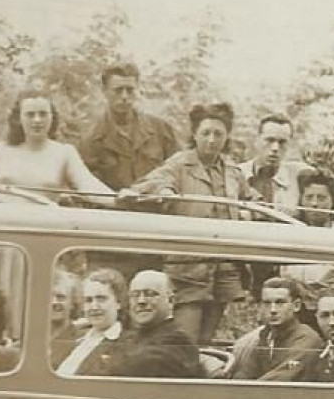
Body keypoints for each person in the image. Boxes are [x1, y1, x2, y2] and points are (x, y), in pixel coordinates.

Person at [120, 102, 249, 344]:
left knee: (205, 340)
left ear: (227, 136)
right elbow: (150, 183)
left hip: (223, 272)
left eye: (218, 134)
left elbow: (252, 199)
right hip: (188, 270)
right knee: (184, 340)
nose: (211, 140)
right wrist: (165, 190)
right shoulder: (180, 164)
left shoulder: (232, 171)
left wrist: (248, 212)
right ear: (194, 134)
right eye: (205, 133)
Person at [0, 89, 109, 198]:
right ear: (18, 119)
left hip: (43, 227)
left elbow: (88, 184)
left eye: (43, 114)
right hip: (4, 225)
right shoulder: (1, 150)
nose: (37, 120)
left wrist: (118, 198)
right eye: (30, 114)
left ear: (52, 117)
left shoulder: (64, 153)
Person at [77, 62, 181, 191]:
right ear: (104, 91)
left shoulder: (161, 130)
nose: (125, 96)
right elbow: (86, 184)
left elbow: (179, 170)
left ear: (137, 89)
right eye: (118, 90)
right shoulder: (90, 139)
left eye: (130, 90)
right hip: (112, 208)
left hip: (156, 207)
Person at [225, 277, 325, 382]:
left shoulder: (307, 338)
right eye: (267, 303)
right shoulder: (266, 335)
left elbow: (281, 378)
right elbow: (247, 372)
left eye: (280, 302)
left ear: (296, 305)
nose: (273, 310)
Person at [110, 270, 200, 379]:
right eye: (135, 295)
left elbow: (144, 365)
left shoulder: (178, 340)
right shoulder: (133, 336)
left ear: (171, 301)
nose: (141, 301)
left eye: (150, 294)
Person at [55, 268, 129, 377]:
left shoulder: (126, 344)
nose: (94, 307)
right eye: (89, 300)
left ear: (118, 302)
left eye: (101, 299)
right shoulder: (75, 337)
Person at [48, 269, 80, 365]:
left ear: (72, 303)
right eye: (48, 297)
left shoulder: (80, 342)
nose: (54, 302)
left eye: (61, 297)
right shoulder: (28, 340)